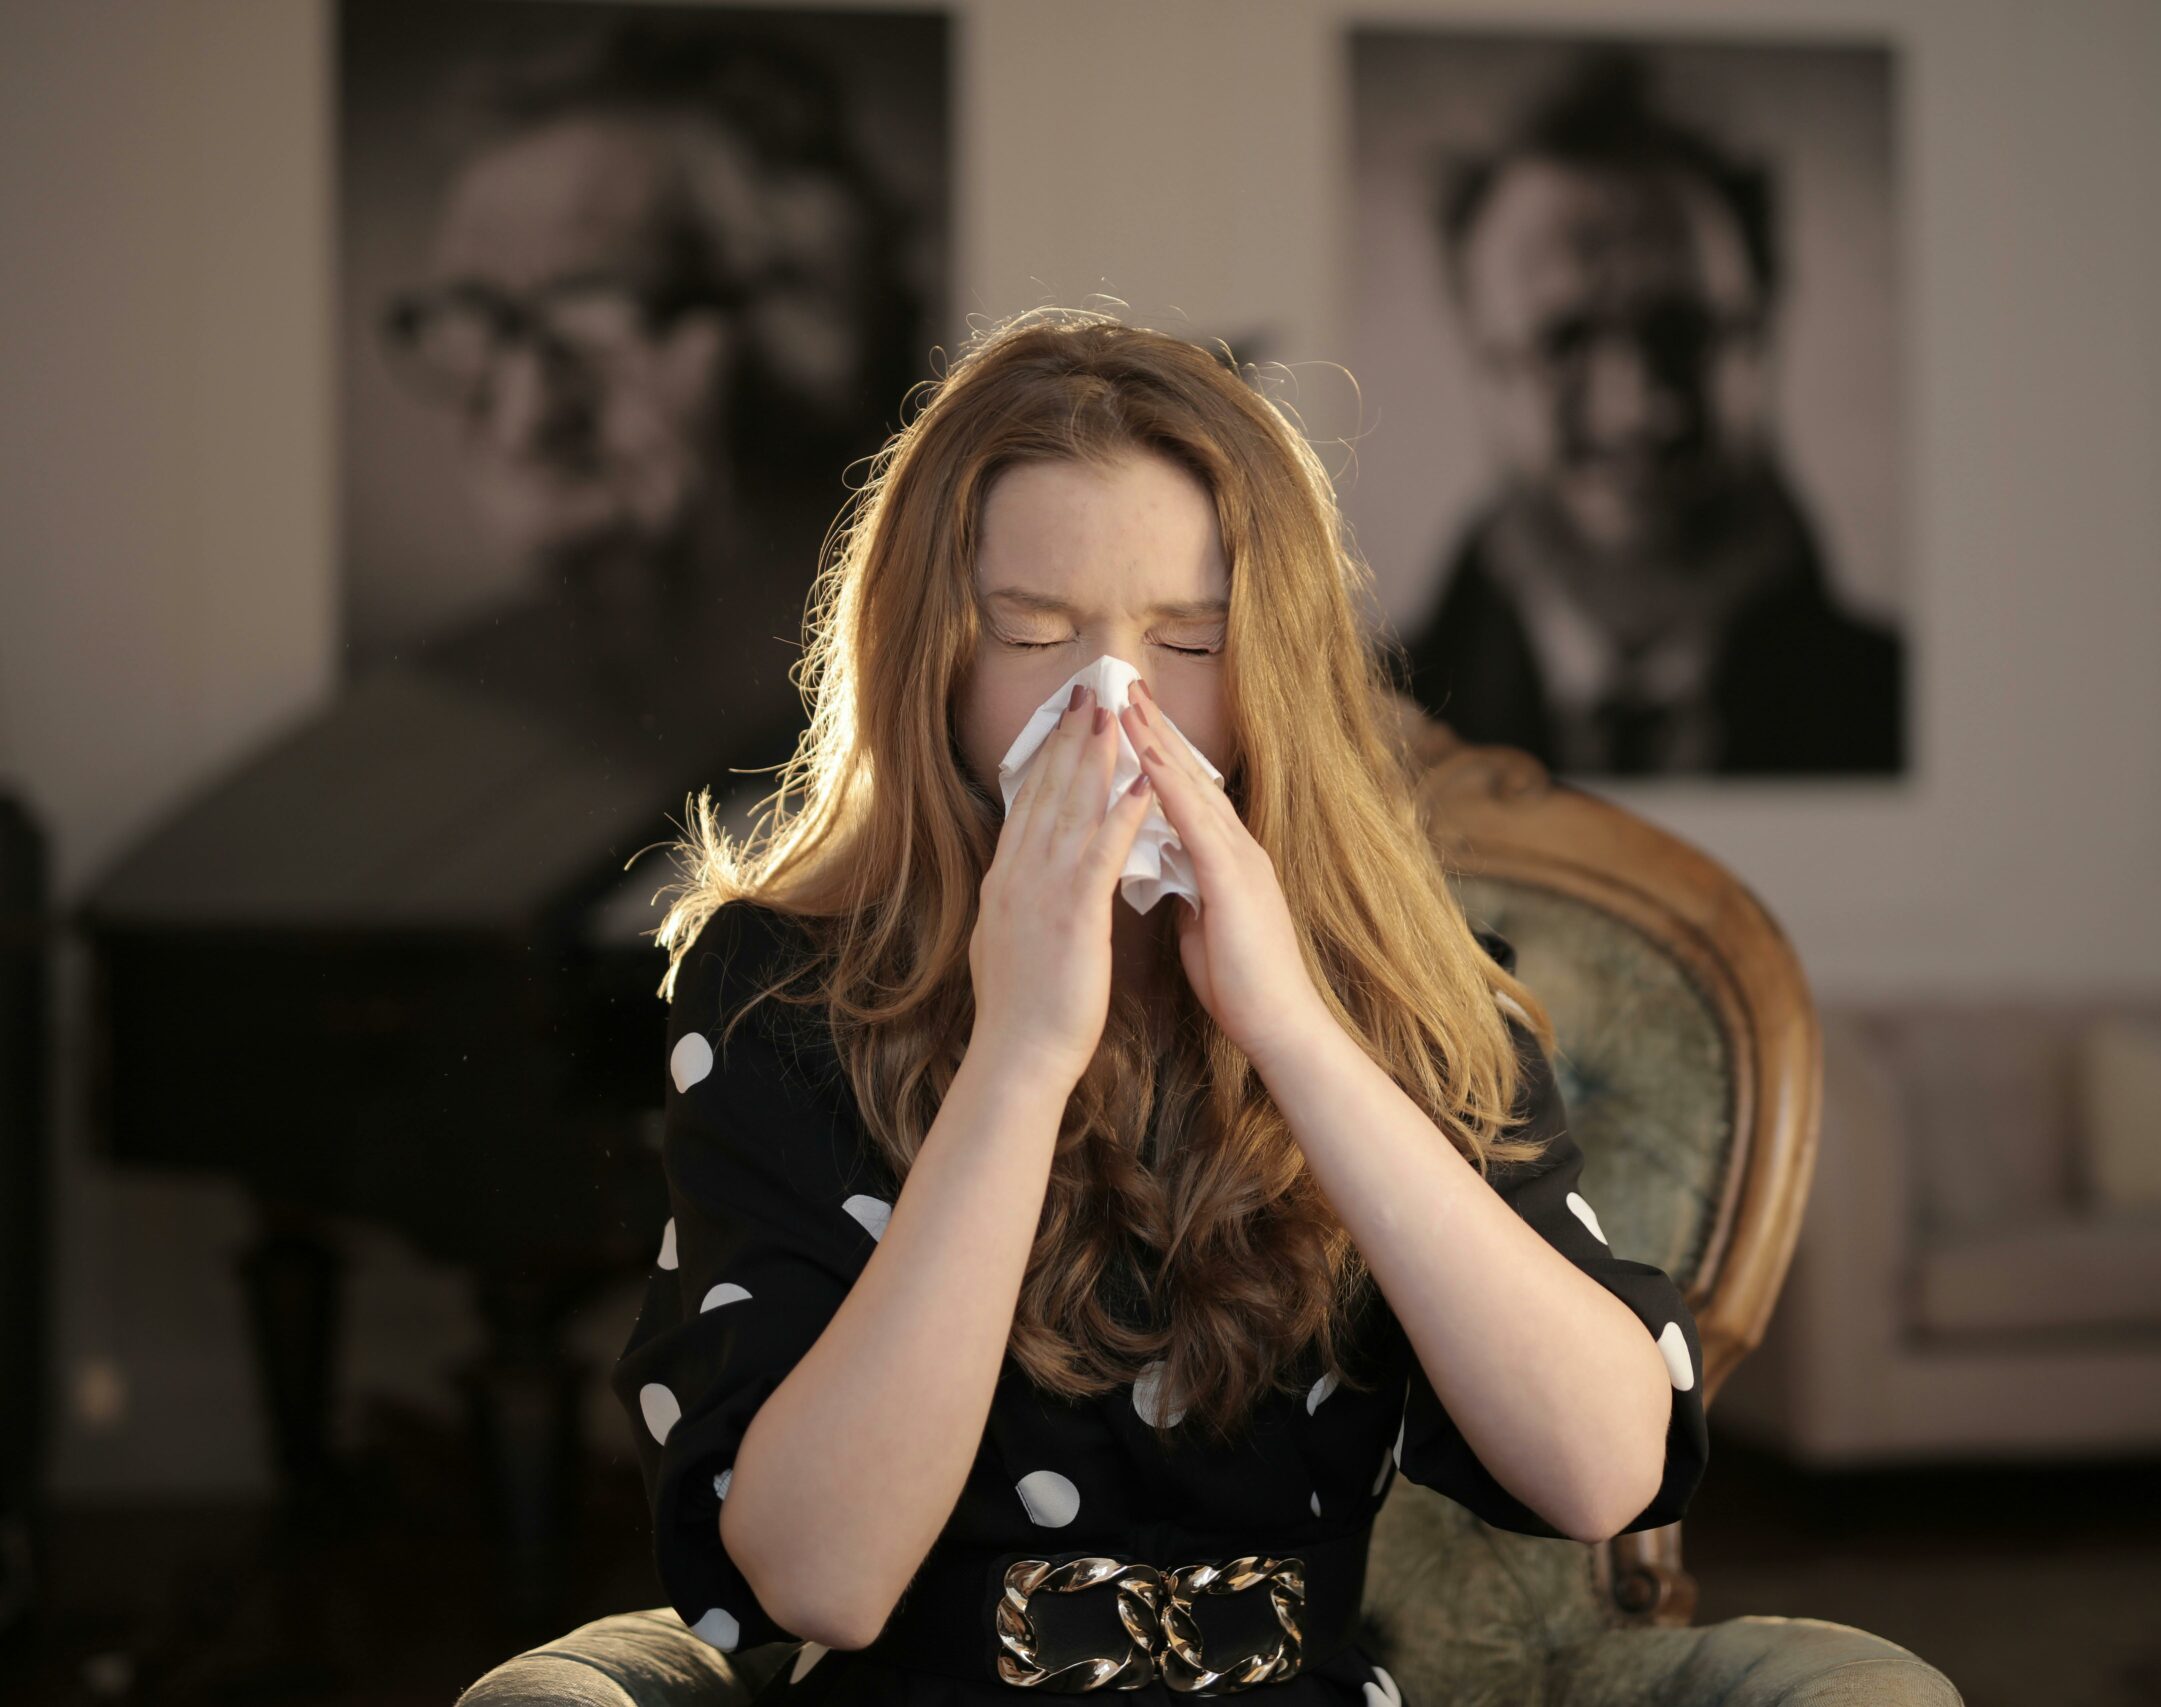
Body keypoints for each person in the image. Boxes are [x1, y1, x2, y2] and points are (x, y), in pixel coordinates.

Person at [609, 310, 1710, 1703]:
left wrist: (1296, 1029)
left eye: (1189, 643)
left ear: (1276, 671)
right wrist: (1019, 1054)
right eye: (1033, 631)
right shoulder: (778, 993)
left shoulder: (1407, 993)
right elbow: (821, 1573)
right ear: (930, 661)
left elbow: (1604, 1469)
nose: (1113, 703)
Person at [375, 17, 922, 753]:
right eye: (474, 321)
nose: (525, 418)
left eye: (596, 319)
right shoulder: (448, 721)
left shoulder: (915, 707)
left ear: (807, 332)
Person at [1391, 50, 1904, 777]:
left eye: (1684, 332)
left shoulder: (1890, 708)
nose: (1636, 409)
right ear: (1479, 357)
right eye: (1564, 339)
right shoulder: (1355, 723)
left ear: (1763, 335)